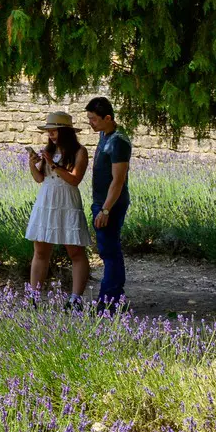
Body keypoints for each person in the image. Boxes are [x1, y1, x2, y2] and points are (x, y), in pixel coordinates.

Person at [24, 111, 93, 297]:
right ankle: (34, 297)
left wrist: (54, 165)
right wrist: (32, 164)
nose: (50, 135)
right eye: (49, 131)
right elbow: (39, 178)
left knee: (75, 251)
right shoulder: (50, 151)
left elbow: (74, 179)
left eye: (54, 131)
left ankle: (75, 299)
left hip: (67, 201)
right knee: (40, 251)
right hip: (46, 201)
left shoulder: (80, 152)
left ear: (65, 132)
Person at [85, 97, 133, 304]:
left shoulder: (118, 141)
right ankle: (111, 298)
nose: (90, 123)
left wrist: (105, 210)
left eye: (94, 119)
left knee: (110, 252)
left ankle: (110, 301)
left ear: (108, 118)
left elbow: (118, 180)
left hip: (110, 205)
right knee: (106, 250)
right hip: (101, 202)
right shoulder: (104, 135)